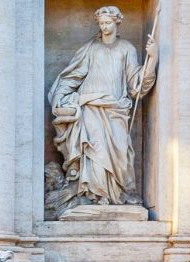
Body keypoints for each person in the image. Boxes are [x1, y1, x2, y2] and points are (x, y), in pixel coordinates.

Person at [48, 6, 157, 211]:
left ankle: (117, 194)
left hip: (116, 109)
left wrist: (152, 59)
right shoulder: (91, 48)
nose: (104, 26)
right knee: (94, 150)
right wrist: (61, 97)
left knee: (121, 154)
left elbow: (136, 85)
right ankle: (96, 195)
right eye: (101, 23)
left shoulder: (127, 49)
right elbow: (73, 76)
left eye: (108, 22)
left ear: (117, 22)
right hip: (90, 106)